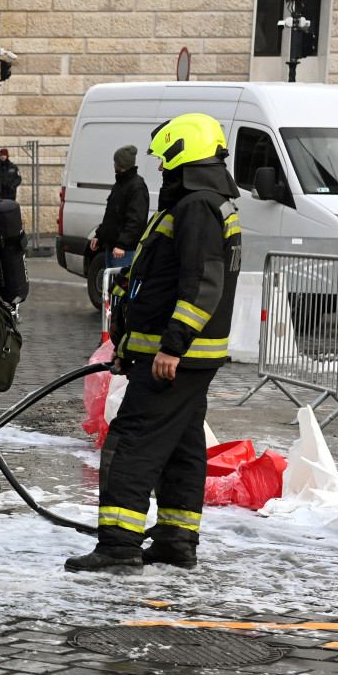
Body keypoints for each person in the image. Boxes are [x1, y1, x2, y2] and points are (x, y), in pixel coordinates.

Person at [65, 113, 241, 573]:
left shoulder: (197, 205)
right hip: (177, 355)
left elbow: (201, 282)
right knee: (181, 447)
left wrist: (171, 346)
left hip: (174, 356)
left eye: (166, 159)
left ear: (185, 154)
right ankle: (175, 542)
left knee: (131, 441)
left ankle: (119, 546)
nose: (160, 168)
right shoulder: (199, 202)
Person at [90, 145, 149, 271]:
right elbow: (110, 215)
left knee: (121, 287)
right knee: (111, 287)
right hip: (113, 248)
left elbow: (136, 220)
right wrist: (99, 235)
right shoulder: (120, 184)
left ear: (120, 163)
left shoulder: (136, 187)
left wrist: (122, 244)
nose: (113, 164)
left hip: (124, 251)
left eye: (115, 161)